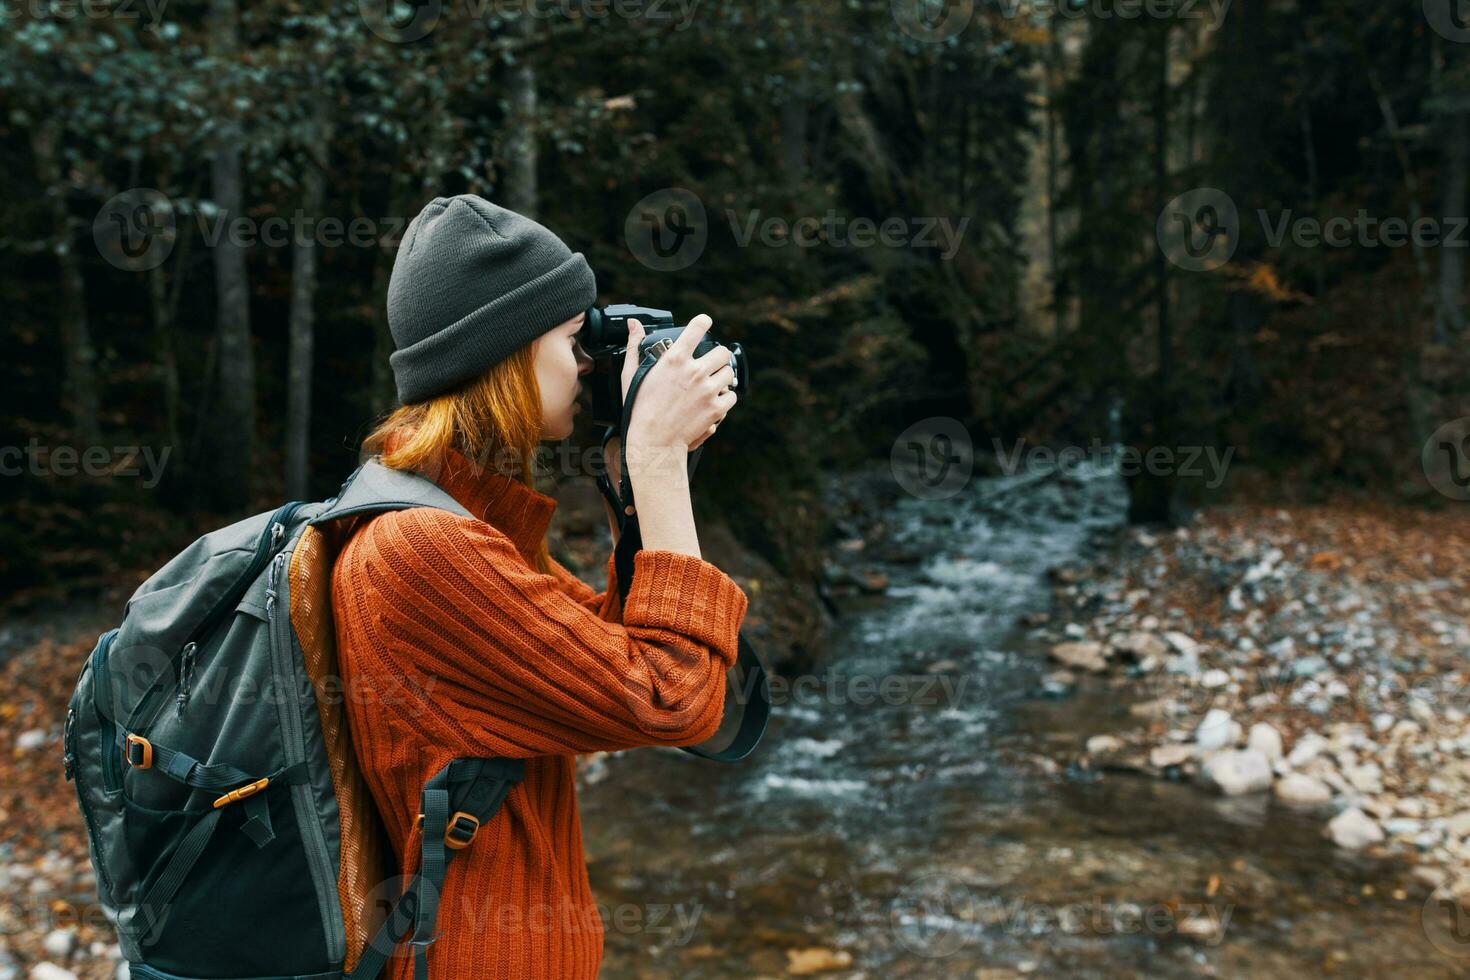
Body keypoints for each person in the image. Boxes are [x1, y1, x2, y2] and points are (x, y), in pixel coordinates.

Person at [330, 194, 746, 979]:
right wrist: (659, 465)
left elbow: (608, 656)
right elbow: (673, 698)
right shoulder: (419, 550)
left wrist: (631, 483)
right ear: (507, 351)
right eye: (572, 338)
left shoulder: (453, 524)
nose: (591, 362)